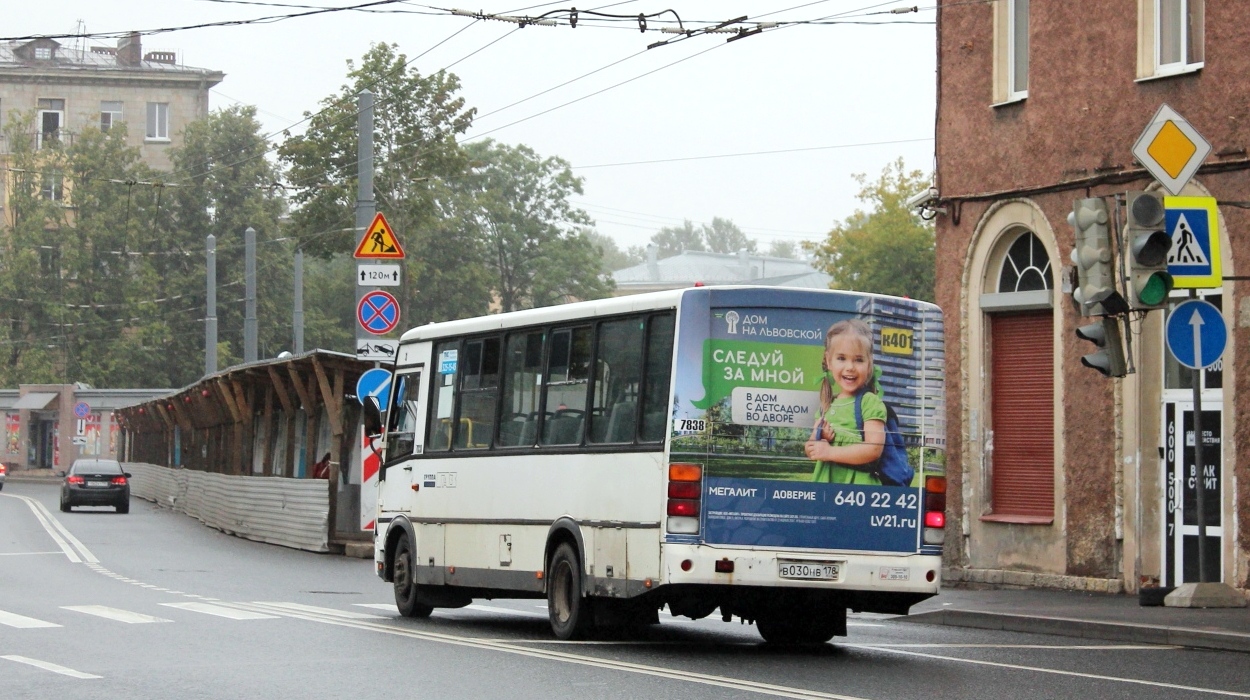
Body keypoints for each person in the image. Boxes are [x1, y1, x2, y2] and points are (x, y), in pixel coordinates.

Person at [805, 319, 886, 484]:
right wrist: (820, 437)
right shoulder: (826, 405)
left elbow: (874, 449)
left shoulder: (869, 402)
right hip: (826, 491)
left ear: (869, 364)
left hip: (858, 492)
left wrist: (829, 452)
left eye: (858, 360)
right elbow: (811, 449)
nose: (850, 367)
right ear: (829, 361)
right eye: (841, 358)